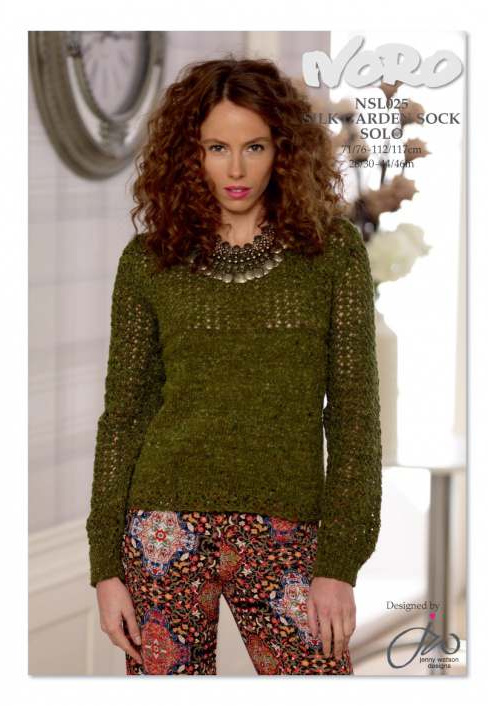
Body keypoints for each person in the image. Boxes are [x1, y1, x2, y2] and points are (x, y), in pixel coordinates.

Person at [85, 54, 383, 676]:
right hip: (162, 527)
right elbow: (124, 418)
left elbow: (354, 417)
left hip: (287, 527)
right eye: (216, 148)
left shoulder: (332, 254)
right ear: (188, 153)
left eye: (255, 147)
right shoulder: (148, 260)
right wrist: (106, 568)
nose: (237, 169)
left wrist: (339, 564)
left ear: (284, 149)